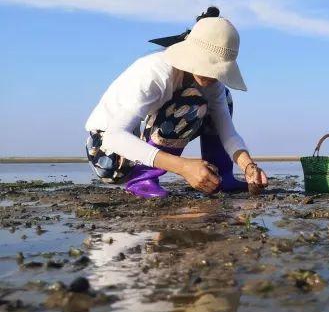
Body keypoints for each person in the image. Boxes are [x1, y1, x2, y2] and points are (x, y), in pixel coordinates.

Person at [85, 13, 268, 198]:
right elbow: (114, 137)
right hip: (109, 155)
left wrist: (248, 166)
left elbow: (227, 131)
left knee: (222, 98)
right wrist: (184, 167)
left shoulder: (212, 83)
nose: (211, 76)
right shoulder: (156, 74)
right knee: (190, 104)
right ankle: (142, 180)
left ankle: (220, 176)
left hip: (140, 141)